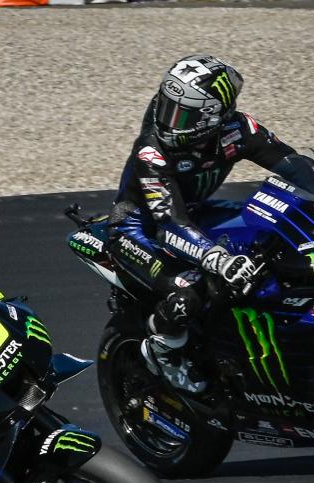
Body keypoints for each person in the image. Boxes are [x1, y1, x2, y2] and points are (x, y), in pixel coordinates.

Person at [108, 55, 298, 392]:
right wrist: (218, 259)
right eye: (166, 106)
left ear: (212, 116)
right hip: (138, 230)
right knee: (192, 289)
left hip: (195, 213)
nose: (167, 120)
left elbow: (294, 165)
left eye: (181, 114)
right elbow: (168, 224)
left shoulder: (239, 130)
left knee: (271, 229)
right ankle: (162, 350)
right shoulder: (152, 151)